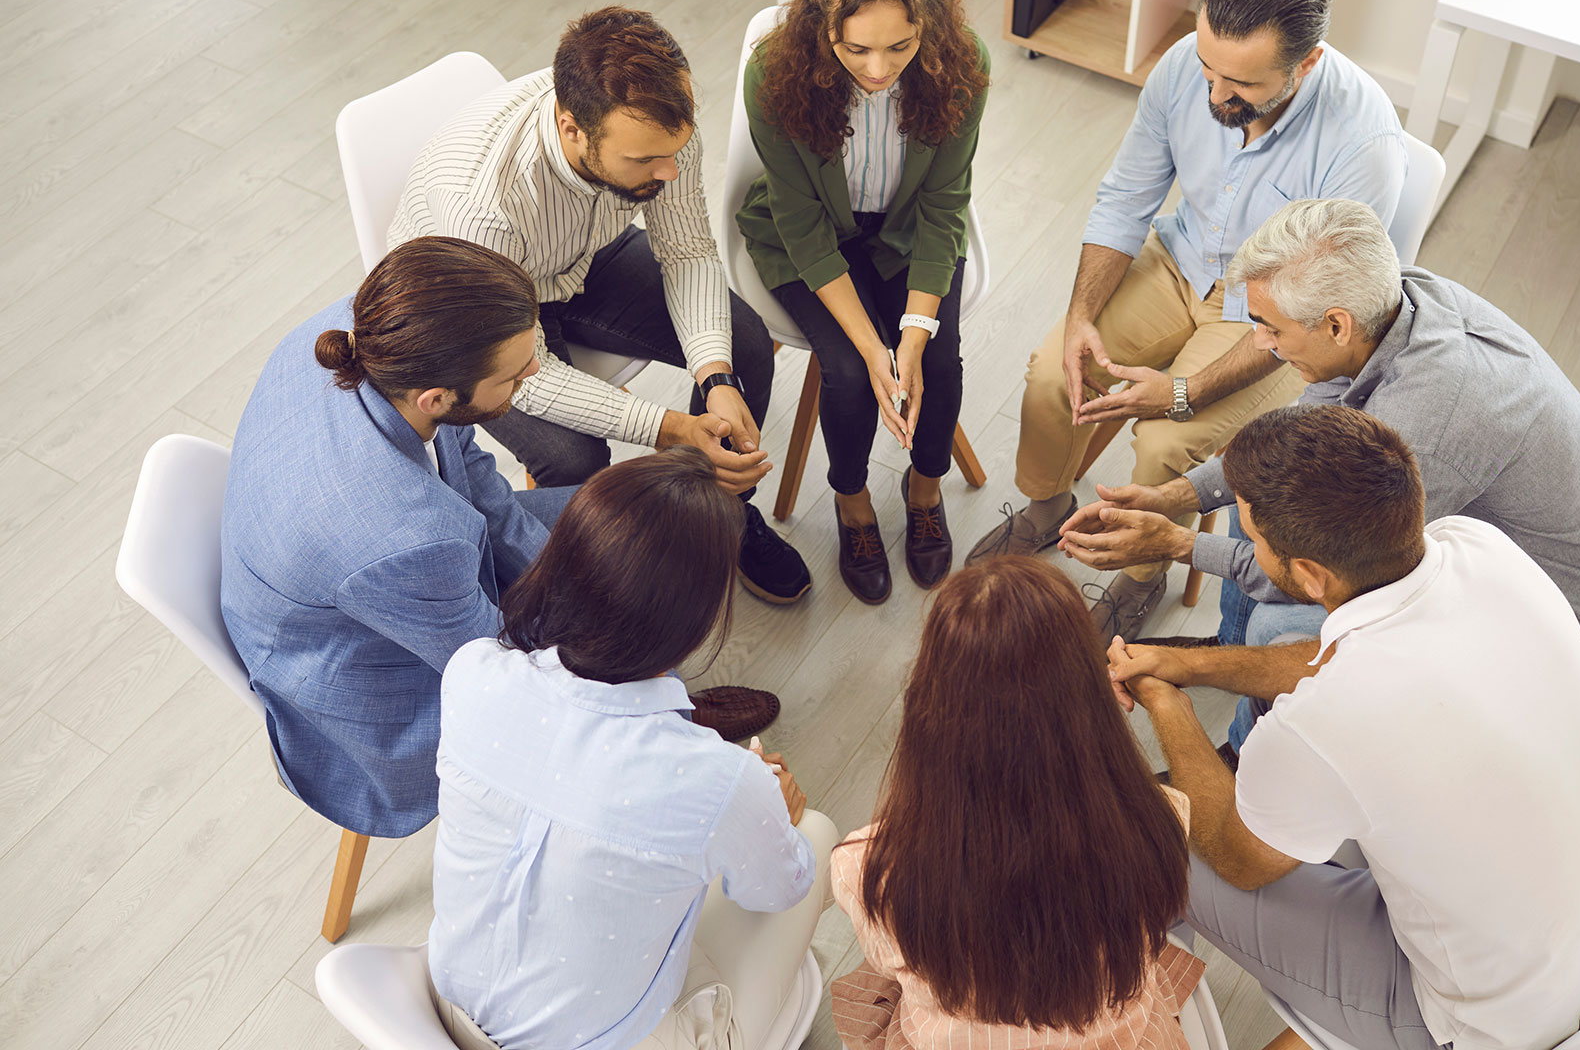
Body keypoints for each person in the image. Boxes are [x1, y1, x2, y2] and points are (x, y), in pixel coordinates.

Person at [1109, 405, 1580, 1050]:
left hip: (1478, 1021)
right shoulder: (1480, 548)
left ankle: (1130, 1011)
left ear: (1309, 574)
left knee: (1143, 826)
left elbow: (1237, 855)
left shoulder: (1321, 724)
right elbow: (1336, 656)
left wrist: (1167, 703)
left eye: (1251, 538)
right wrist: (1185, 663)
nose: (1247, 549)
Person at [1061, 197, 1580, 756]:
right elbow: (1290, 448)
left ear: (1336, 326)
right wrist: (1169, 497)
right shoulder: (1393, 298)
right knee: (1259, 503)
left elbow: (1315, 578)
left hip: (1559, 596)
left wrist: (1180, 544)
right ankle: (1232, 652)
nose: (1260, 344)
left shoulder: (1423, 426)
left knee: (1278, 623)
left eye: (1270, 328)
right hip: (1525, 519)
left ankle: (1246, 752)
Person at [967, 0, 1408, 643]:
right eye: (1208, 68)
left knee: (1167, 444)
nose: (1215, 93)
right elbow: (1127, 198)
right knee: (1056, 371)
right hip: (1181, 258)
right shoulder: (1184, 65)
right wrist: (1082, 317)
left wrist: (1180, 393)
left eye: (1241, 82)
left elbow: (1305, 320)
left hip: (1269, 314)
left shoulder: (1364, 143)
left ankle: (1143, 578)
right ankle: (1049, 505)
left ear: (1307, 64)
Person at [391, 5, 811, 607]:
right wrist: (671, 429)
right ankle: (613, 574)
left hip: (580, 257)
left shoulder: (658, 130)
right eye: (643, 162)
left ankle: (721, 516)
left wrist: (715, 378)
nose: (668, 172)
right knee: (574, 454)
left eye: (676, 151)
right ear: (572, 130)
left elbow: (688, 251)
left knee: (742, 344)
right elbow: (526, 378)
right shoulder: (484, 204)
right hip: (472, 320)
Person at [429, 447, 837, 1050]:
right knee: (819, 837)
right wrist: (767, 811)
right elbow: (780, 889)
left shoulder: (472, 671)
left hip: (441, 1008)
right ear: (694, 621)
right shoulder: (719, 780)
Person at [221, 238, 578, 839]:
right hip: (375, 693)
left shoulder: (368, 330)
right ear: (437, 398)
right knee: (628, 578)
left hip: (385, 572)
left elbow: (465, 460)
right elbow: (492, 671)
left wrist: (552, 566)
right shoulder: (408, 541)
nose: (534, 372)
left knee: (628, 529)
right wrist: (625, 668)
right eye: (514, 376)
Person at [829, 555, 1206, 1050]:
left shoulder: (866, 867)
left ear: (926, 704)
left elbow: (891, 963)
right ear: (1090, 696)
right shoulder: (1161, 816)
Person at [738, 0, 990, 605]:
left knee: (937, 358)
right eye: (856, 51)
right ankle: (852, 504)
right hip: (814, 231)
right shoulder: (774, 74)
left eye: (900, 48)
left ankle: (924, 485)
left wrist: (909, 338)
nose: (878, 71)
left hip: (911, 226)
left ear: (929, 27)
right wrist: (876, 350)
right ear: (824, 27)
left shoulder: (964, 64)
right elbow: (800, 222)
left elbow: (944, 208)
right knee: (848, 371)